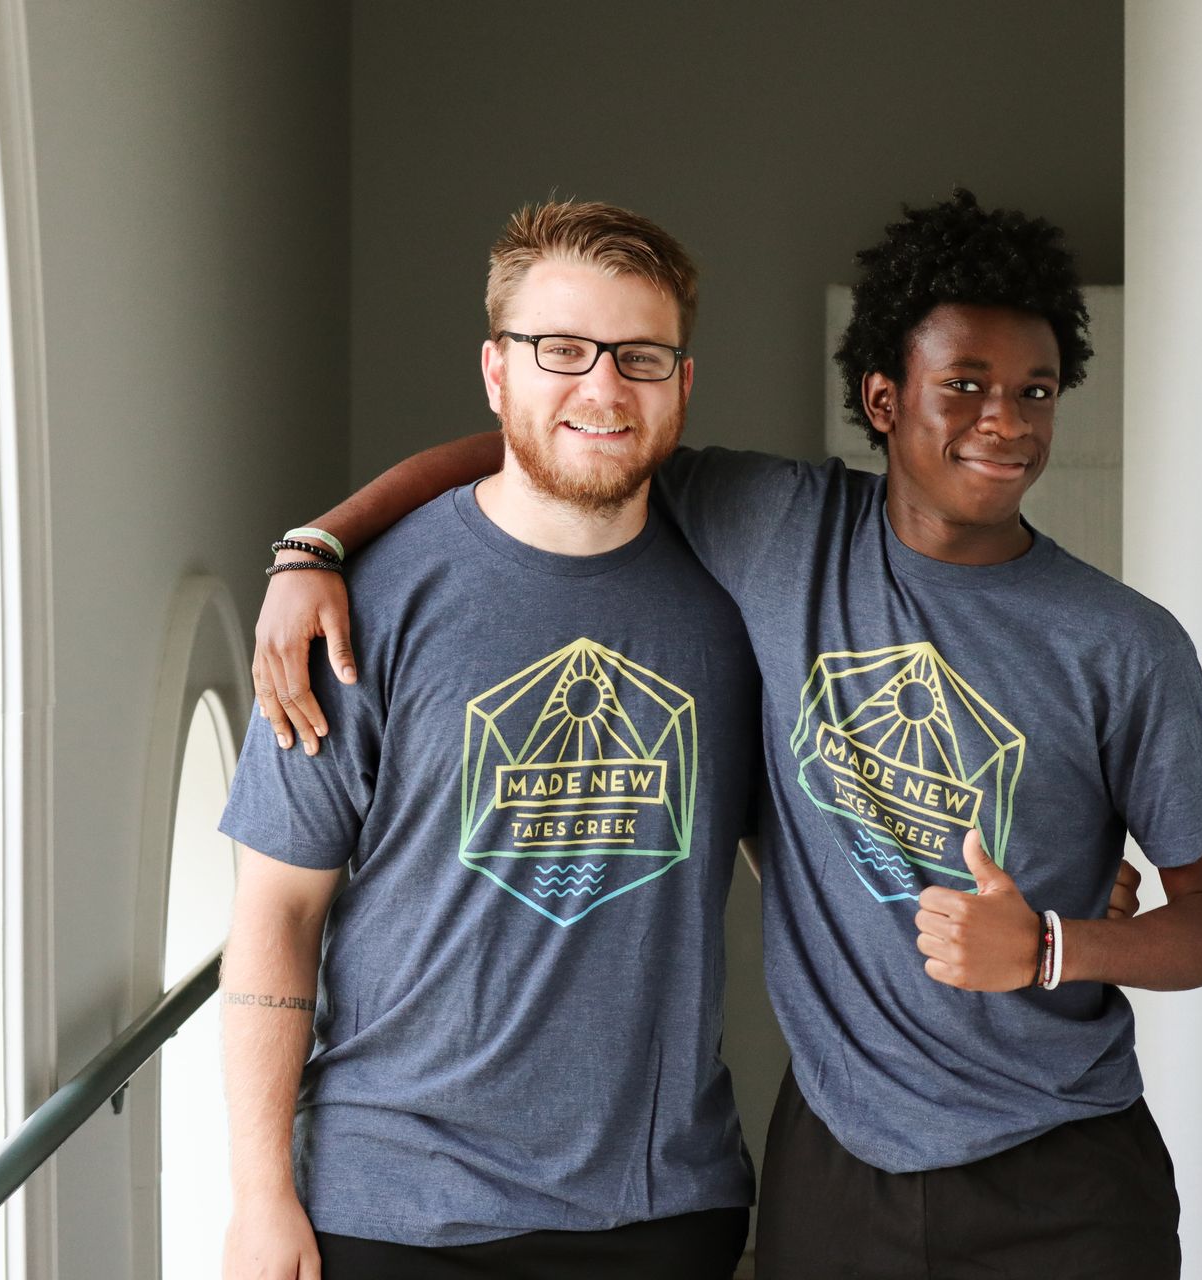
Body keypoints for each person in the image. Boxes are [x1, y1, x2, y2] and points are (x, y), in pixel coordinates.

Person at [252, 190, 1202, 1279]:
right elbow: (552, 445)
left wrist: (1058, 941)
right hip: (826, 1158)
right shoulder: (774, 531)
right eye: (965, 385)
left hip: (1051, 1166)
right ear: (882, 395)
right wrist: (317, 543)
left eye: (1034, 391)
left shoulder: (1123, 641)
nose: (1004, 420)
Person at [217, 200, 764, 1280]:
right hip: (391, 1204)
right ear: (496, 371)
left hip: (662, 1209)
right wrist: (259, 1196)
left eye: (641, 356)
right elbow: (277, 909)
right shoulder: (357, 606)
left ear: (683, 383)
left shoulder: (744, 589)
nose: (603, 387)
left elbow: (817, 830)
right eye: (561, 350)